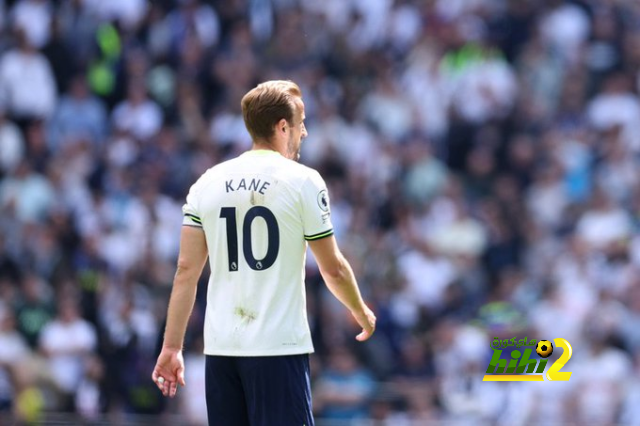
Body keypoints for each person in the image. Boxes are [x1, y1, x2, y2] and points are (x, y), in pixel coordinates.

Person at [151, 80, 376, 425]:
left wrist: (171, 348)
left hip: (222, 350)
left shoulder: (208, 182)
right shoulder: (303, 181)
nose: (305, 133)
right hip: (277, 348)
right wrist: (359, 309)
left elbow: (186, 271)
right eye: (301, 124)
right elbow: (334, 270)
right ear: (282, 126)